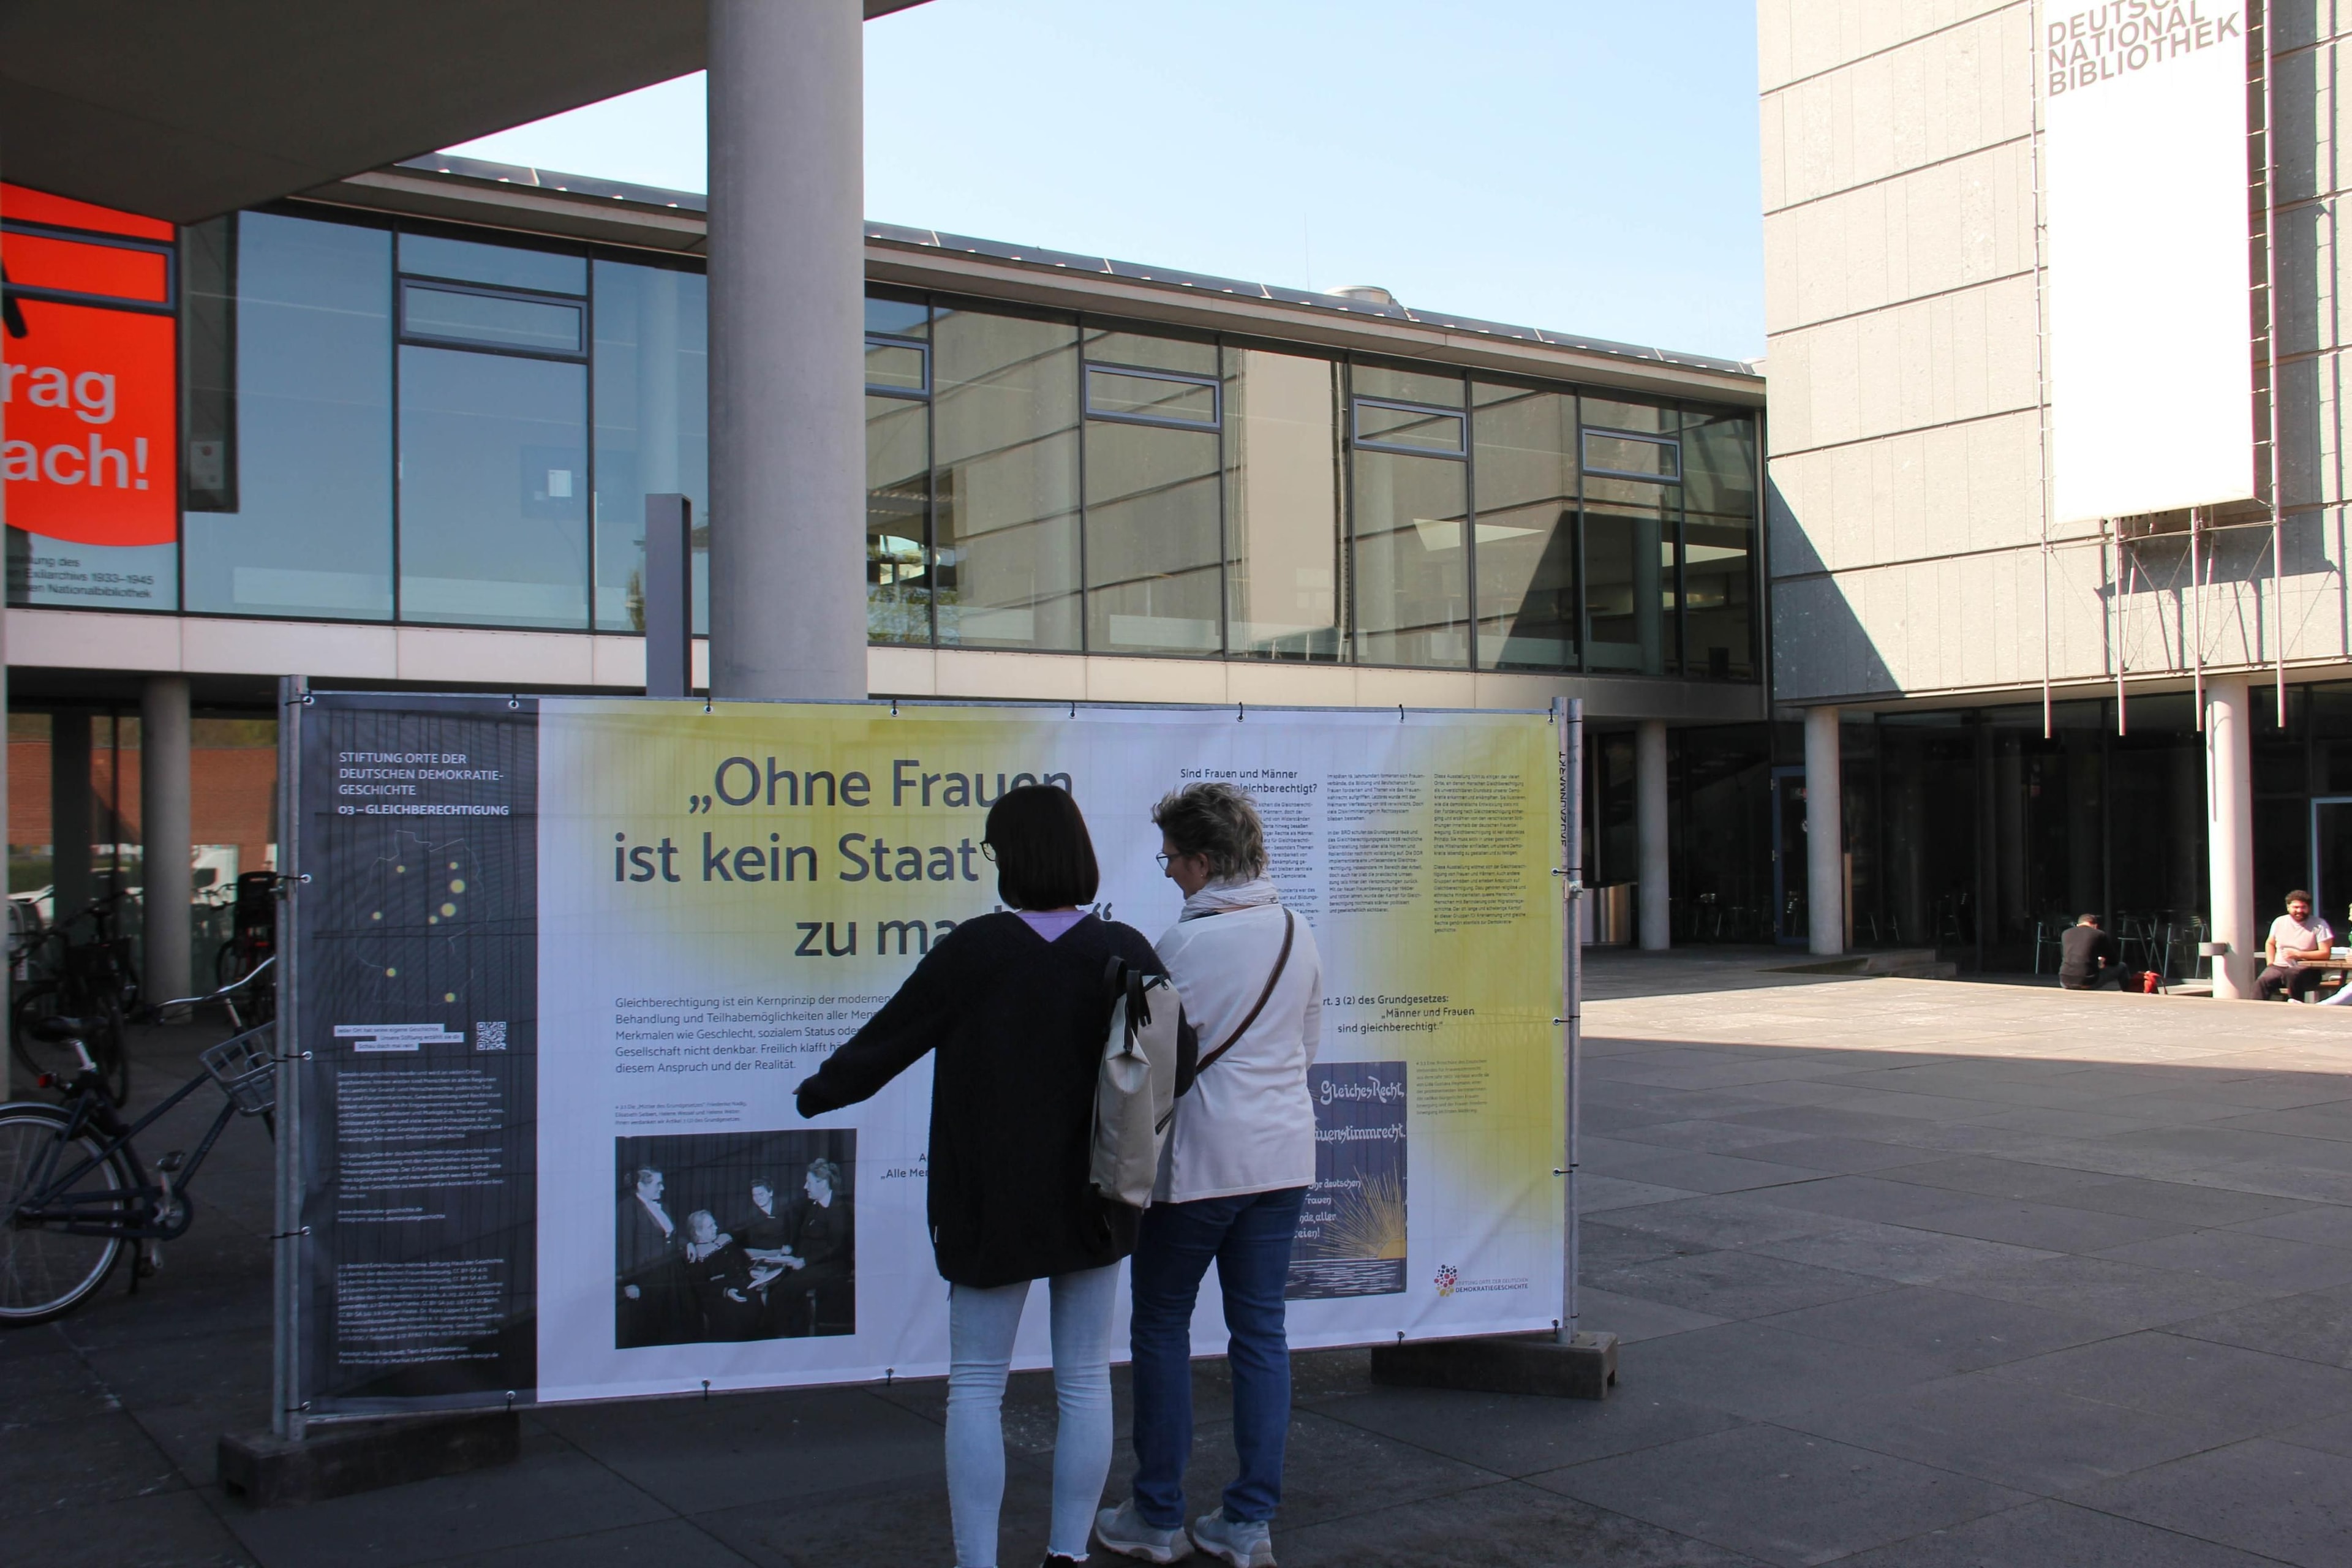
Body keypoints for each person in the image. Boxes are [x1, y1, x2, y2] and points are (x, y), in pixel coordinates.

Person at [796, 784, 1186, 1568]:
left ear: (1011, 856)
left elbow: (886, 1043)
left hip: (988, 1200)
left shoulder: (974, 950)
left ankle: (977, 1561)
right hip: (1097, 1198)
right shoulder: (1127, 952)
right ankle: (1066, 1555)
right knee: (1084, 1381)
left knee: (976, 1385)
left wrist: (816, 1093)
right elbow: (1181, 1060)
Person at [1096, 782, 1321, 1568]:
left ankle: (1156, 1516)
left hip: (1198, 1169)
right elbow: (1306, 1047)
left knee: (1161, 1325)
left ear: (1203, 859)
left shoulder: (1184, 946)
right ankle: (1248, 1522)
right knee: (1260, 1331)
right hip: (1283, 1160)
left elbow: (1147, 1070)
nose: (1165, 872)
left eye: (1171, 858)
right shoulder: (1298, 931)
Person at [617, 1165, 687, 1348]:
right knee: (652, 1328)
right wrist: (629, 1282)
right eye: (658, 1184)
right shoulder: (627, 1208)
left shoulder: (664, 1206)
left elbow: (671, 1235)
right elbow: (625, 1247)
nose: (662, 1188)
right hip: (648, 1278)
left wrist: (688, 1243)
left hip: (672, 1273)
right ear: (641, 1185)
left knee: (674, 1324)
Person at [785, 1158, 854, 1336]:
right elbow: (805, 1238)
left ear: (823, 1183)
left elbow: (836, 1248)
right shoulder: (812, 1207)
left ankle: (779, 1334)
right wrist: (791, 1255)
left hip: (832, 1265)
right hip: (810, 1263)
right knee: (780, 1284)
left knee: (788, 1288)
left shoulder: (838, 1209)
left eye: (809, 1182)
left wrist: (804, 1261)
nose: (805, 1187)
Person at [2259, 889, 2334, 1002]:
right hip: (2279, 967)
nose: (2299, 911)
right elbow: (2270, 943)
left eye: (2303, 907)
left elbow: (2325, 953)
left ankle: (2296, 1007)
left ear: (2309, 908)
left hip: (2308, 969)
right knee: (2263, 980)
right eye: (2296, 907)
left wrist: (2299, 954)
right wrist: (2270, 963)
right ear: (2288, 907)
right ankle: (2257, 1009)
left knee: (2292, 974)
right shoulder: (2279, 922)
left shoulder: (2319, 924)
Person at [2057, 913, 2125, 991]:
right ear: (2095, 926)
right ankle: (2130, 992)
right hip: (2088, 982)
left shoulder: (2065, 933)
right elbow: (2114, 960)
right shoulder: (2099, 934)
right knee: (2122, 967)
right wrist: (2103, 963)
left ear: (2078, 924)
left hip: (2065, 981)